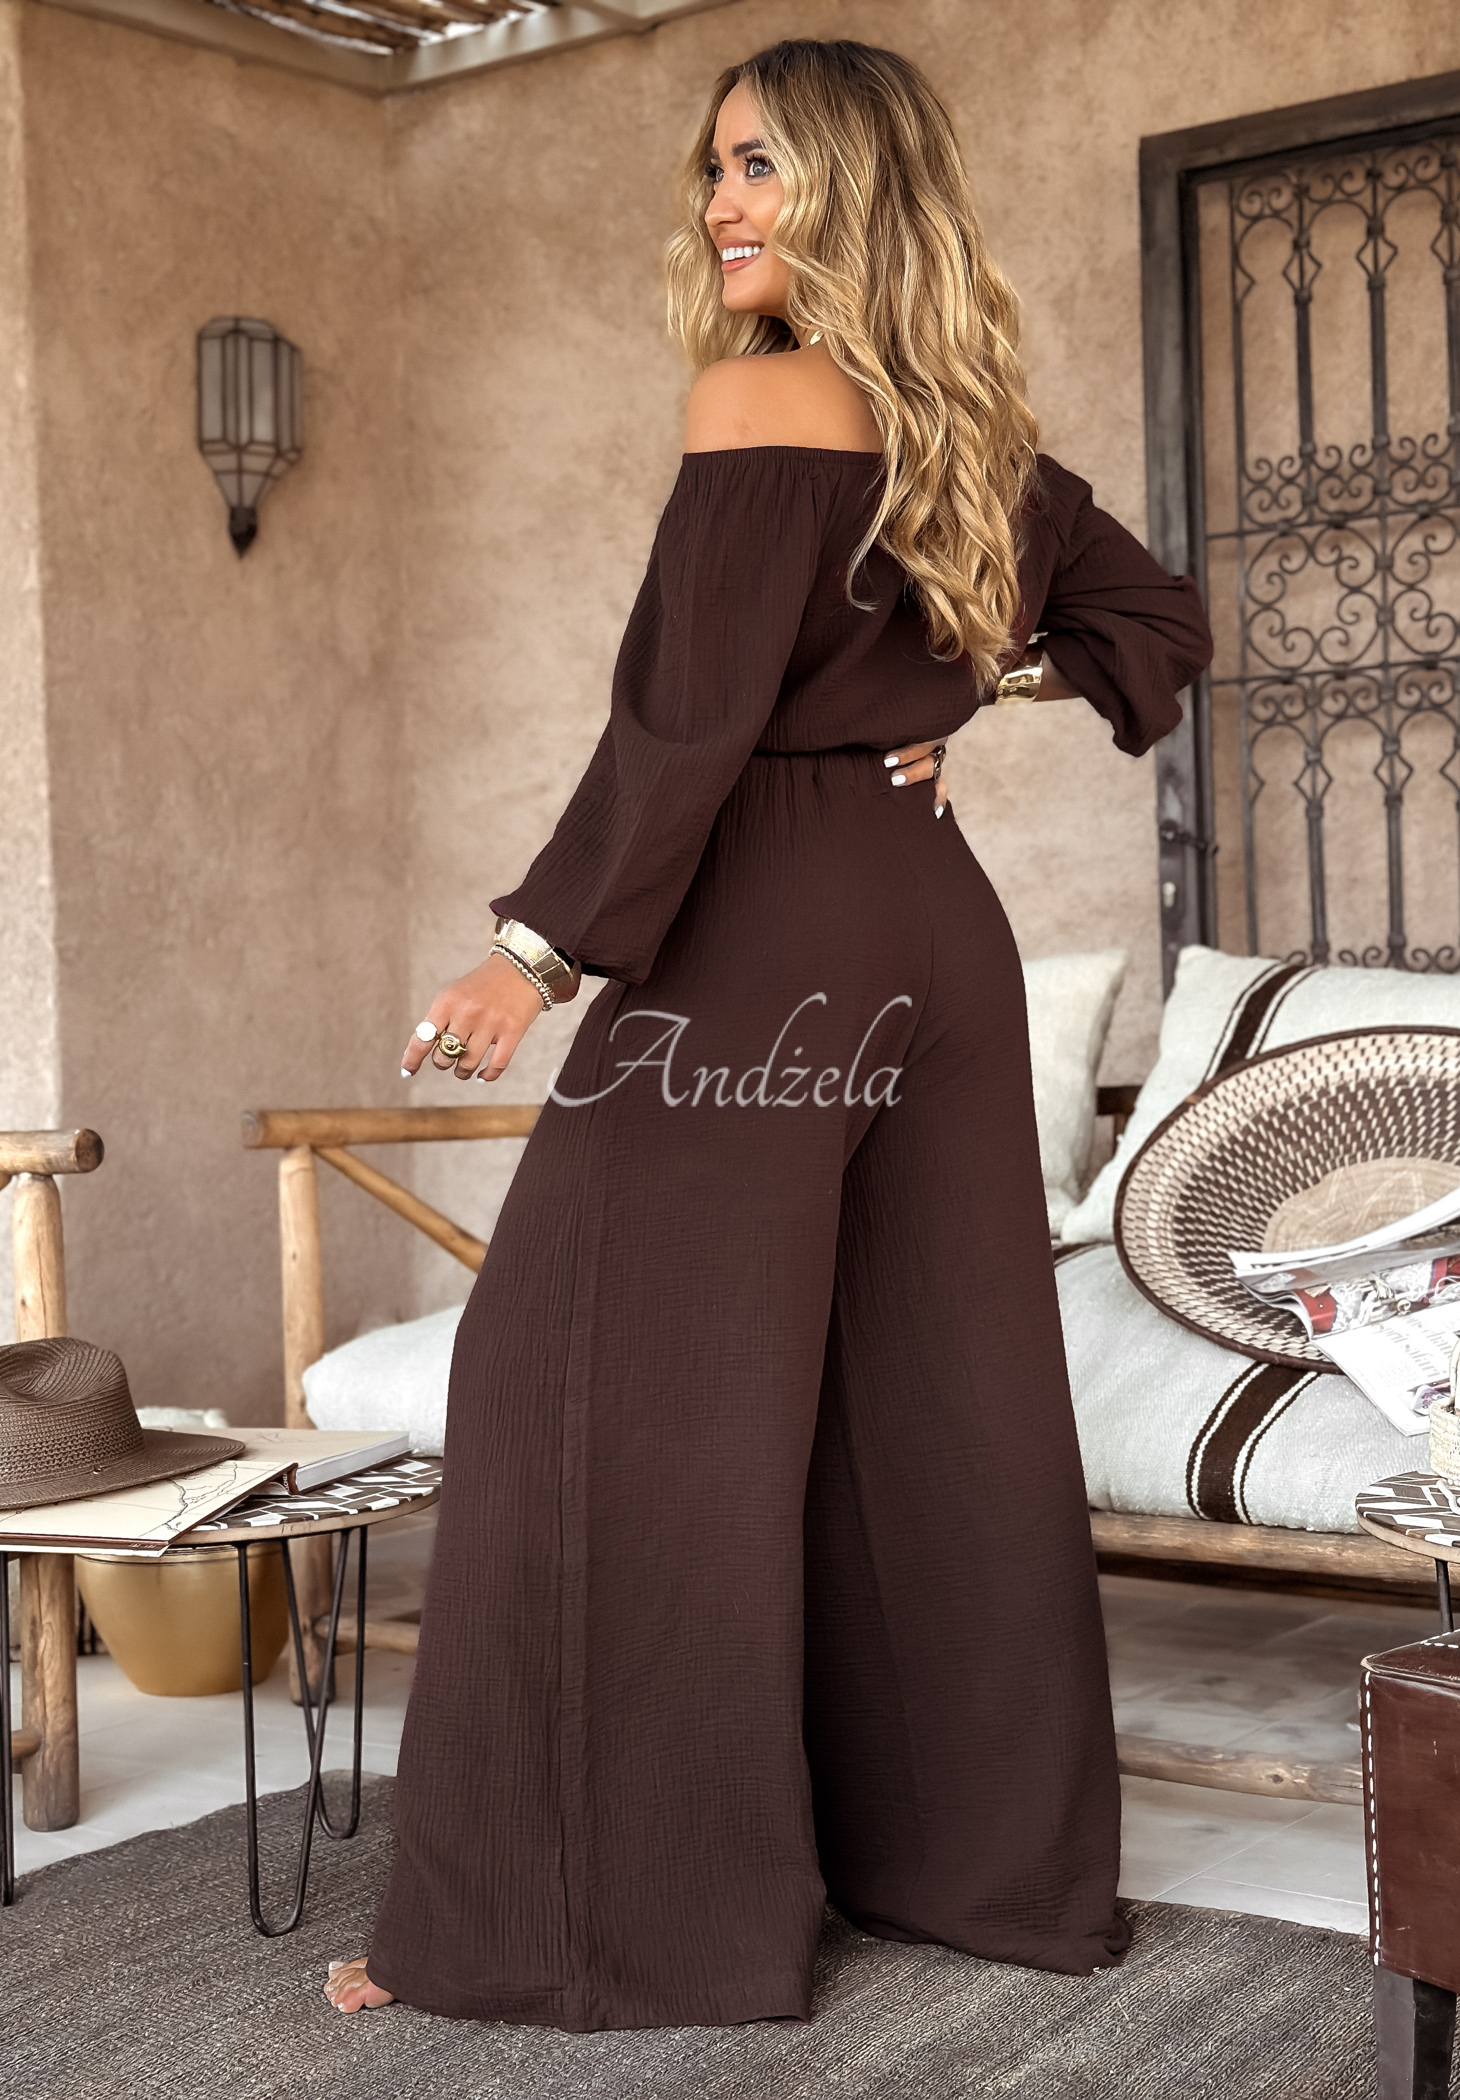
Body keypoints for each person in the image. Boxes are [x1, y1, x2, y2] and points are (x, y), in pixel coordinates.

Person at [324, 37, 1212, 2032]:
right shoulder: (979, 444)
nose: (721, 204)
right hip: (933, 940)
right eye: (717, 168)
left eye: (761, 169)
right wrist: (976, 685)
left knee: (583, 1388)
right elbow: (1161, 621)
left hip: (763, 937)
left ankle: (579, 1925)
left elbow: (686, 720)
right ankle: (978, 1879)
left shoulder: (757, 397)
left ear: (850, 192)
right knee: (935, 1402)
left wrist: (538, 953)